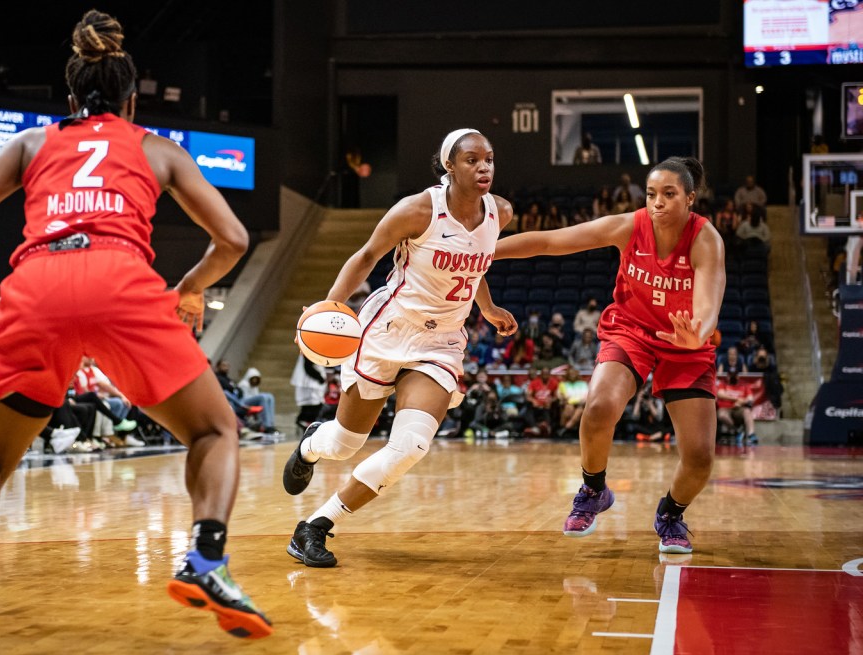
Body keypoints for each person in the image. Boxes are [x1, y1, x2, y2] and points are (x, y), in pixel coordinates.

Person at [0, 10, 271, 655]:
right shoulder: (157, 147)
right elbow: (233, 238)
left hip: (37, 286)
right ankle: (205, 557)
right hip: (121, 280)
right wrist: (191, 288)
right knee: (213, 430)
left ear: (69, 97)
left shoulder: (32, 143)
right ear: (131, 97)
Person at [280, 128, 517, 568]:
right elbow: (367, 256)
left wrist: (487, 306)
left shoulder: (499, 212)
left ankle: (315, 525)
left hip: (441, 341)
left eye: (489, 159)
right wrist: (329, 306)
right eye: (472, 160)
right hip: (388, 329)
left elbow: (476, 263)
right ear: (449, 165)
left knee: (411, 446)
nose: (484, 167)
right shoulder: (417, 210)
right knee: (346, 443)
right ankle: (312, 445)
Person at [495, 156, 725, 554]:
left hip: (686, 343)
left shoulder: (706, 240)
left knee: (700, 457)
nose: (658, 203)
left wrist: (697, 334)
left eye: (669, 195)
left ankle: (671, 513)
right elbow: (551, 241)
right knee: (599, 406)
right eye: (652, 194)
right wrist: (483, 255)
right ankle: (593, 489)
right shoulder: (628, 226)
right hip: (632, 330)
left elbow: (708, 302)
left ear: (690, 198)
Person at [715, 371, 757, 445]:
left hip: (739, 409)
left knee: (747, 411)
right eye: (730, 375)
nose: (732, 377)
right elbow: (720, 394)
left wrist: (741, 402)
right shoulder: (723, 385)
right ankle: (737, 431)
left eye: (734, 375)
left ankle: (751, 435)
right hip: (725, 408)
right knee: (721, 415)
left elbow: (750, 399)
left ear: (738, 377)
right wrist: (736, 399)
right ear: (727, 377)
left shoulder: (744, 386)